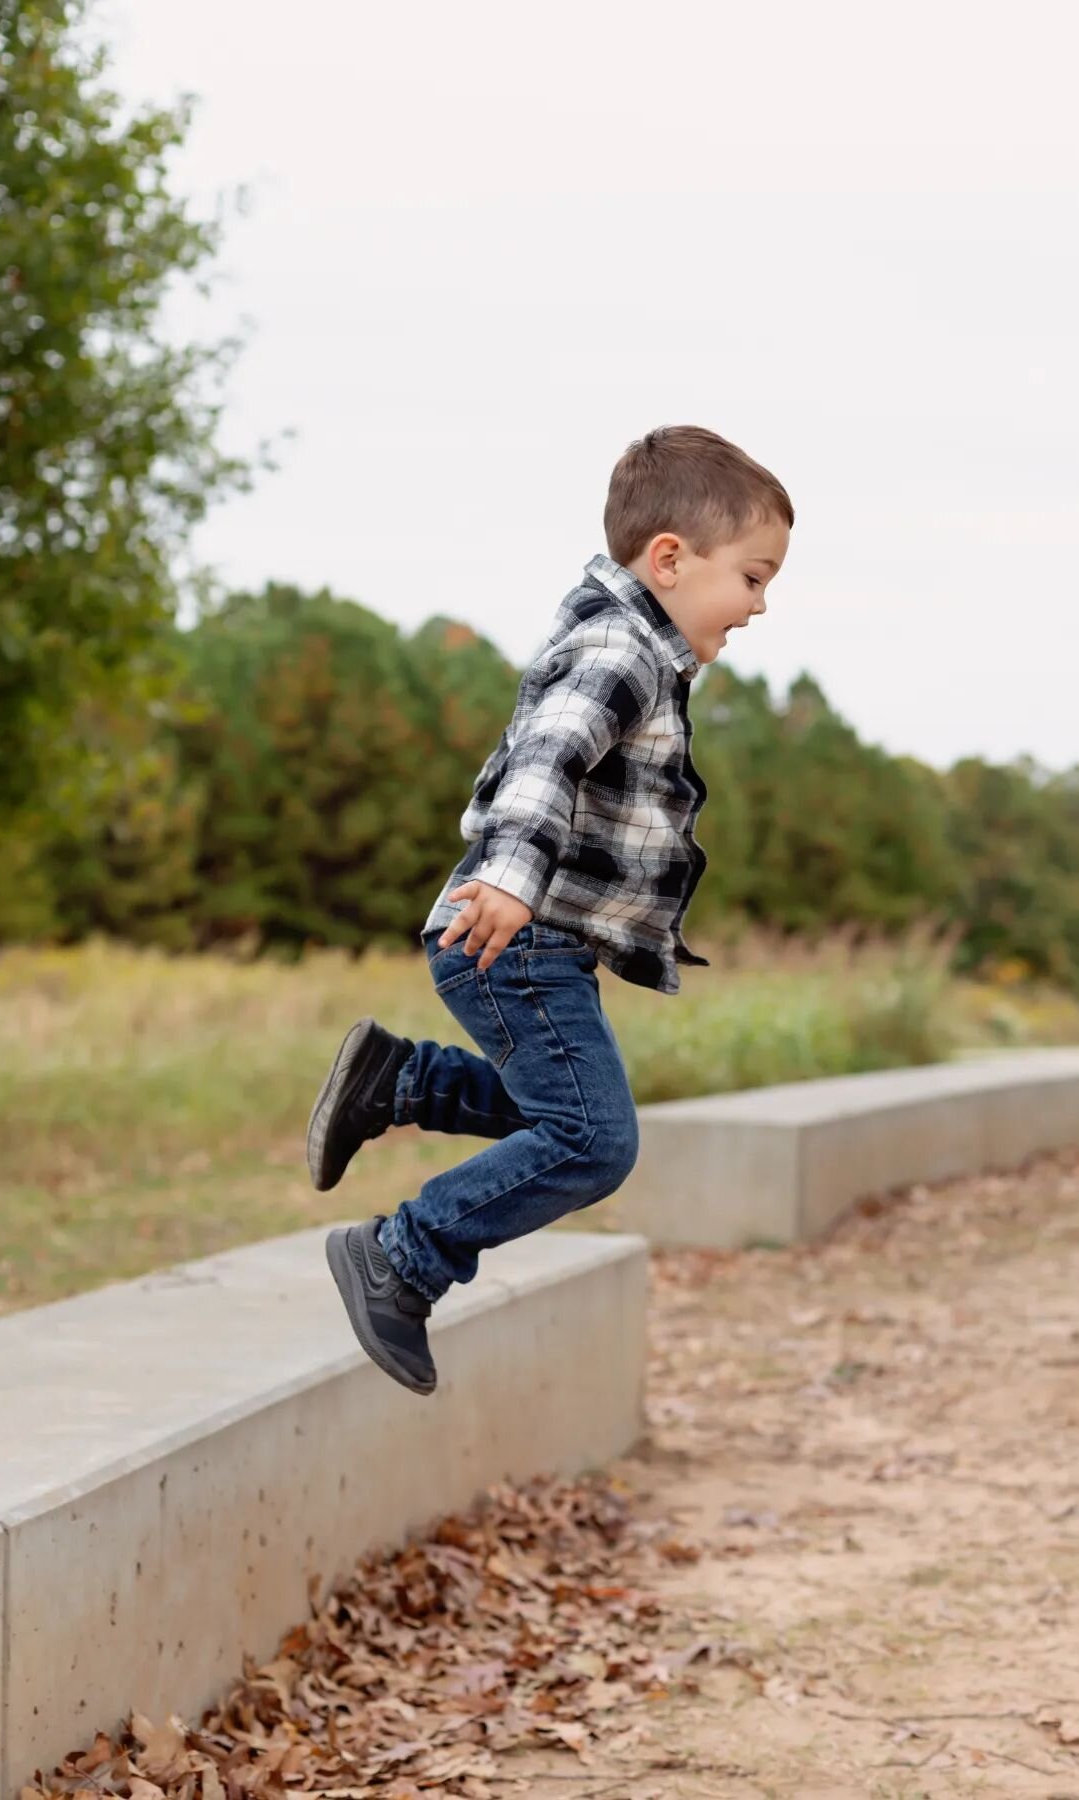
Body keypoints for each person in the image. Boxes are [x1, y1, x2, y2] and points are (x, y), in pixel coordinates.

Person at [309, 425, 792, 1394]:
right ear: (670, 559)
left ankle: (399, 1084)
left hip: (529, 941)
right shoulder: (620, 653)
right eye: (751, 575)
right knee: (594, 1140)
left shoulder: (638, 650)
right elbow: (545, 760)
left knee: (571, 1119)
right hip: (514, 935)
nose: (761, 603)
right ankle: (404, 1256)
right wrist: (509, 874)